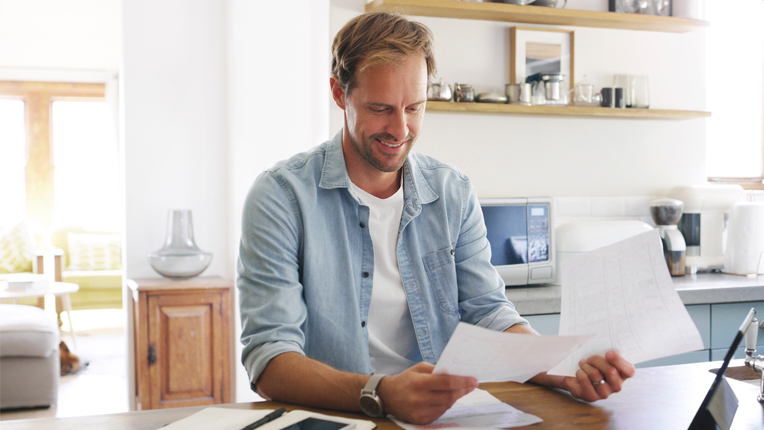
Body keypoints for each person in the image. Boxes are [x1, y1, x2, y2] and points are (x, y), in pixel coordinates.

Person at [237, 11, 635, 425]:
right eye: (380, 108)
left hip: (441, 418)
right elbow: (270, 360)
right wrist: (381, 393)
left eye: (415, 107)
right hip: (332, 420)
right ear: (339, 93)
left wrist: (565, 371)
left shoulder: (452, 192)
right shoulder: (280, 197)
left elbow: (488, 314)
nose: (400, 128)